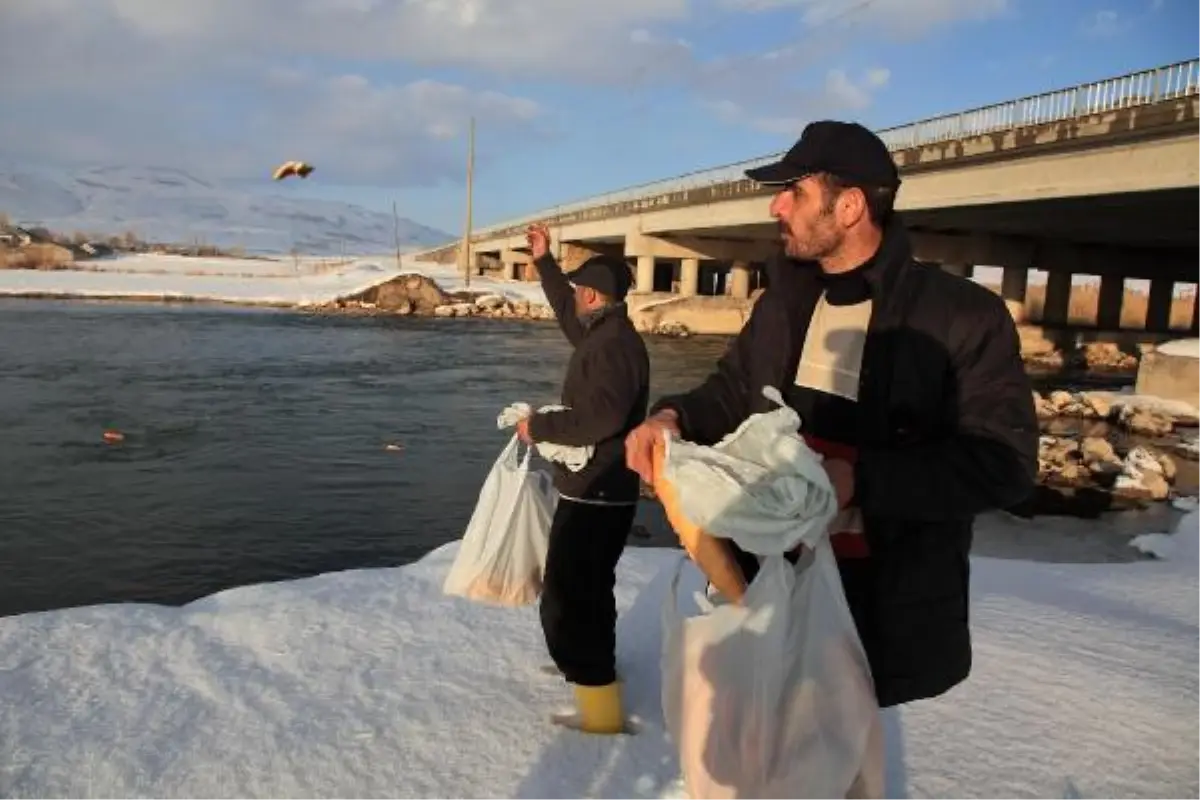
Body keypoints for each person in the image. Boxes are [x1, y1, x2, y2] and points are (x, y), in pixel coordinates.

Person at [624, 120, 1039, 710]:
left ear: (848, 207)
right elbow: (732, 390)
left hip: (880, 612)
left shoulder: (962, 317)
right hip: (767, 585)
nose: (775, 206)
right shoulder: (784, 301)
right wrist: (671, 419)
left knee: (836, 768)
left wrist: (860, 481)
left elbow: (1006, 464)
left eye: (794, 192)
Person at [516, 222, 650, 734]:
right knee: (586, 590)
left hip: (599, 490)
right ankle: (585, 665)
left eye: (576, 289)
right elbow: (561, 311)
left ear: (592, 295)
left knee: (572, 594)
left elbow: (602, 419)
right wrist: (545, 263)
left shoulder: (613, 346)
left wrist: (540, 426)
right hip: (596, 486)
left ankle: (598, 708)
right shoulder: (603, 333)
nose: (571, 296)